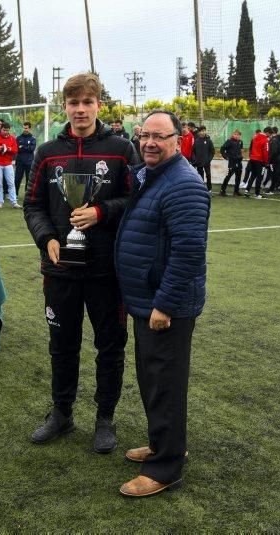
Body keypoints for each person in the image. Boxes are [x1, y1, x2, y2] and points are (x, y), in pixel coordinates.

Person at [23, 72, 137, 454]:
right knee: (62, 343)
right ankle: (62, 413)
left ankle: (105, 418)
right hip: (60, 269)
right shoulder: (47, 151)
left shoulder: (122, 150)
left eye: (87, 102)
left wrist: (101, 212)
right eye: (73, 103)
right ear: (65, 107)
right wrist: (48, 238)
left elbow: (135, 201)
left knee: (110, 345)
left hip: (107, 270)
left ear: (98, 105)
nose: (80, 109)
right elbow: (33, 204)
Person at [114, 110, 210, 498]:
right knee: (153, 379)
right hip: (145, 300)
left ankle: (166, 466)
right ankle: (164, 444)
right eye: (144, 135)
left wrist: (165, 304)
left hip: (164, 306)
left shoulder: (184, 184)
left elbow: (189, 252)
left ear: (178, 139)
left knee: (166, 384)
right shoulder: (150, 174)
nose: (149, 142)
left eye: (159, 136)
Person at [0, 122, 18, 209]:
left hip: (8, 163)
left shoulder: (12, 138)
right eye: (4, 130)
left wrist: (9, 149)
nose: (6, 132)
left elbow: (16, 150)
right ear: (0, 129)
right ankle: (0, 202)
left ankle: (14, 202)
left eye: (7, 130)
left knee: (11, 183)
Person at [246, 127, 270, 198]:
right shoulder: (265, 140)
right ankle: (257, 193)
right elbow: (266, 152)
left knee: (253, 175)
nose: (270, 135)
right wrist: (266, 162)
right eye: (270, 134)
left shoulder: (255, 137)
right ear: (268, 132)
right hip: (260, 161)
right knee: (260, 177)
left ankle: (247, 190)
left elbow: (251, 148)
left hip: (253, 159)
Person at [15, 122, 36, 200]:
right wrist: (26, 147)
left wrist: (22, 147)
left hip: (29, 162)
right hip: (20, 162)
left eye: (26, 128)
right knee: (17, 179)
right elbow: (17, 149)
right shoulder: (18, 138)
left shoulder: (33, 138)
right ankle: (15, 194)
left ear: (29, 128)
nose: (25, 129)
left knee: (29, 180)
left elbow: (31, 149)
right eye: (24, 127)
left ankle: (27, 195)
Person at [219, 129, 244, 196]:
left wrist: (241, 156)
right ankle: (222, 191)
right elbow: (222, 149)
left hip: (239, 162)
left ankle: (236, 191)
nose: (236, 136)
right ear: (233, 135)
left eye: (238, 135)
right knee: (228, 176)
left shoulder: (240, 142)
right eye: (235, 134)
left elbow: (240, 150)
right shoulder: (229, 141)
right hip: (232, 161)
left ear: (240, 136)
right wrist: (226, 157)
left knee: (238, 177)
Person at [191, 126, 215, 192]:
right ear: (199, 132)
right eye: (201, 131)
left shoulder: (209, 141)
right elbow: (193, 151)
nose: (202, 132)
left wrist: (209, 159)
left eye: (204, 130)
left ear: (205, 131)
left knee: (208, 175)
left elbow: (212, 152)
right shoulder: (196, 141)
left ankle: (209, 189)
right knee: (200, 176)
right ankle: (201, 188)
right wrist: (195, 159)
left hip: (206, 162)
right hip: (199, 162)